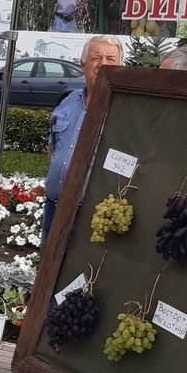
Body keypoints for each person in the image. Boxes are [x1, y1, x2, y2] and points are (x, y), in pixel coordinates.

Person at [42, 35, 123, 242]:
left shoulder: (125, 110)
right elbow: (52, 148)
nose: (103, 64)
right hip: (54, 209)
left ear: (121, 66)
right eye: (96, 58)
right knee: (48, 270)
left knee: (82, 273)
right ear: (82, 64)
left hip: (92, 217)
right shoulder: (69, 102)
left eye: (111, 59)